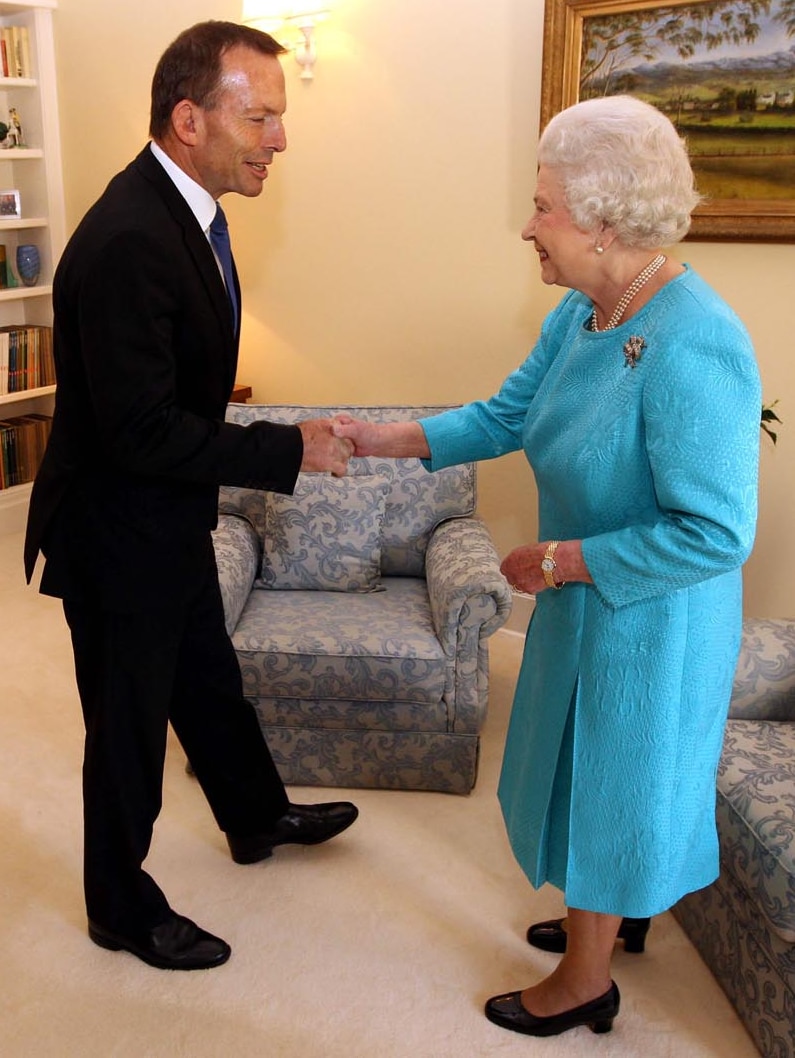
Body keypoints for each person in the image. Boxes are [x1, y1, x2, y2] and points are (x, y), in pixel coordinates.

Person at [333, 95, 761, 1037]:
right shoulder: (584, 311)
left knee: (621, 778)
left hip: (653, 612)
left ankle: (585, 979)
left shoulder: (699, 341)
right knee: (576, 767)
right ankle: (607, 923)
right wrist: (383, 437)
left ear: (605, 222)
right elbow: (501, 416)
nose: (526, 226)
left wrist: (563, 558)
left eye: (542, 206)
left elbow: (717, 532)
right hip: (582, 594)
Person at [23, 21, 359, 972]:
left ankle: (254, 814)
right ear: (187, 118)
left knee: (207, 677)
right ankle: (118, 905)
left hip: (163, 516)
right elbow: (139, 430)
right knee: (127, 728)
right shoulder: (130, 237)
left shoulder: (190, 212)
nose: (278, 140)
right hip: (114, 531)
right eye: (260, 117)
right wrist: (287, 447)